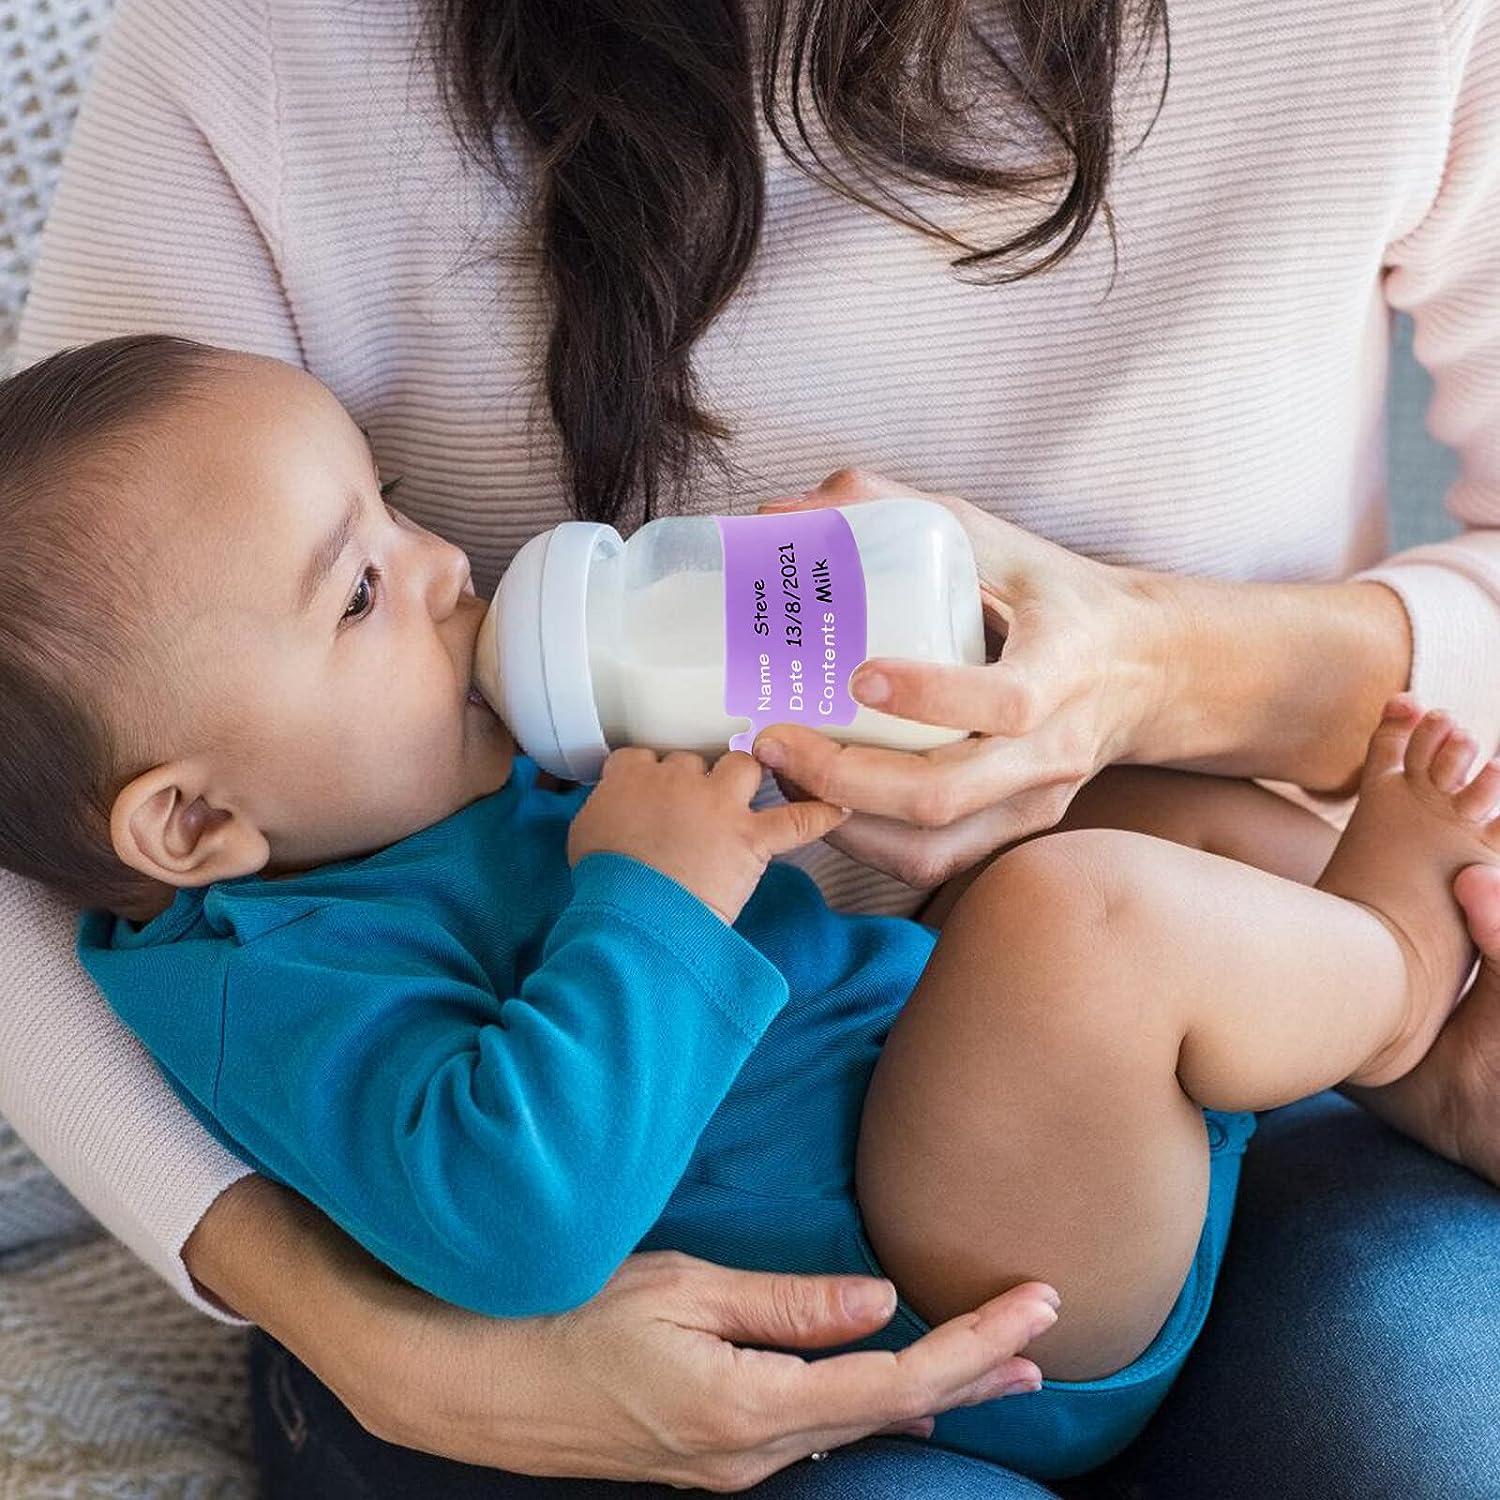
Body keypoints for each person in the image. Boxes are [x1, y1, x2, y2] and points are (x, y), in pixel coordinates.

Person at [5, 0, 1500, 1494]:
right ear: (191, 829)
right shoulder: (277, 972)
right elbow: (515, 1220)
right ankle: (1392, 974)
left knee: (1164, 818)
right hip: (888, 1317)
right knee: (1082, 917)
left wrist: (1179, 667)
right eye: (361, 586)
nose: (454, 561)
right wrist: (383, 1335)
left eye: (398, 498)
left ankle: (1401, 1019)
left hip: (982, 1143)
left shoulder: (392, 801)